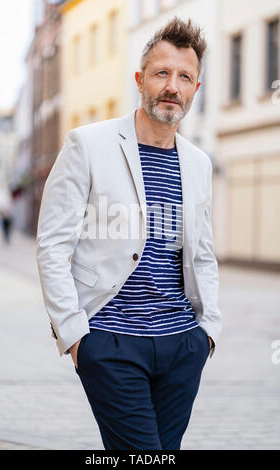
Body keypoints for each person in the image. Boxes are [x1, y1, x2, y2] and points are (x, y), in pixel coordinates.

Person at [36, 17, 222, 450]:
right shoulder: (88, 144)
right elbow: (52, 245)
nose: (172, 86)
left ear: (196, 88)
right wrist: (76, 336)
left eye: (184, 77)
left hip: (181, 344)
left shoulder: (199, 162)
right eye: (162, 73)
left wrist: (207, 330)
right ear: (140, 79)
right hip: (111, 343)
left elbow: (203, 253)